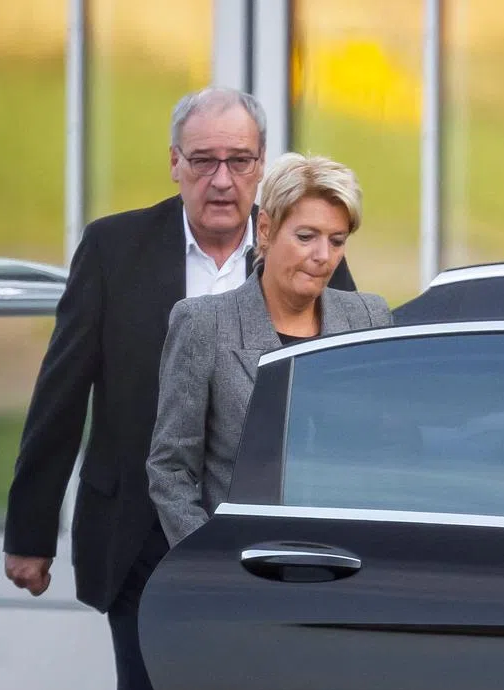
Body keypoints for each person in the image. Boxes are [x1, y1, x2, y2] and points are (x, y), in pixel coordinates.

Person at [1, 87, 357, 690]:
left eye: (240, 160)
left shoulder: (304, 248)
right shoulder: (115, 249)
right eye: (204, 160)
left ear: (261, 167)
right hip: (141, 531)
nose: (222, 180)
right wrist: (30, 530)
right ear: (174, 162)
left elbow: (348, 393)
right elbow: (61, 392)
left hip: (265, 541)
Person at [148, 152, 392, 548]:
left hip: (348, 567)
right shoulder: (204, 324)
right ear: (265, 230)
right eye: (306, 236)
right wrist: (212, 560)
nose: (322, 257)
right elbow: (170, 469)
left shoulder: (369, 317)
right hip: (244, 573)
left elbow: (388, 452)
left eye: (337, 241)